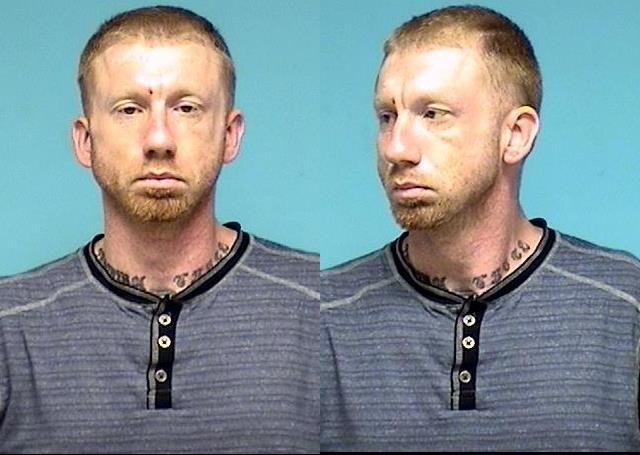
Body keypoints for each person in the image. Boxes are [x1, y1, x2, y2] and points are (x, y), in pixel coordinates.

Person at [321, 4, 640, 451]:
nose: (397, 149)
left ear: (516, 135)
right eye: (387, 117)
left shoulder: (625, 305)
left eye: (433, 114)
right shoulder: (322, 316)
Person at [0, 6, 318, 453]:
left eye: (186, 108)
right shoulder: (10, 326)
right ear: (85, 141)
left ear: (229, 135)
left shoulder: (317, 307)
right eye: (129, 109)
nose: (159, 140)